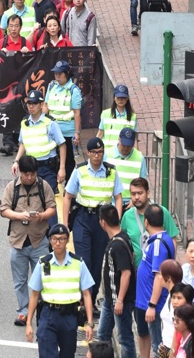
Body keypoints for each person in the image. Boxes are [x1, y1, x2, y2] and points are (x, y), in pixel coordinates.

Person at [62, 137, 123, 313]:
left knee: (97, 263)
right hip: (83, 218)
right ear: (88, 153)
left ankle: (92, 298)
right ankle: (82, 299)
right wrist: (65, 224)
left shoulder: (111, 171)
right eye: (94, 152)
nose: (97, 155)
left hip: (103, 221)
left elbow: (118, 197)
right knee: (84, 261)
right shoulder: (80, 170)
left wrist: (115, 222)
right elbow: (67, 196)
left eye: (100, 152)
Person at [1, 155, 56, 327]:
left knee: (44, 278)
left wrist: (41, 216)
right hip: (18, 242)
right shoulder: (12, 188)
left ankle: (43, 310)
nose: (30, 178)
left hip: (40, 242)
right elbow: (3, 210)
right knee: (20, 281)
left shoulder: (43, 186)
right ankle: (23, 312)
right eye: (26, 174)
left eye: (32, 174)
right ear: (20, 173)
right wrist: (19, 215)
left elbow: (52, 208)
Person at [26, 223, 95, 356]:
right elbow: (34, 295)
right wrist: (29, 323)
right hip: (48, 315)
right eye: (54, 239)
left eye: (62, 239)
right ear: (50, 240)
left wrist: (90, 324)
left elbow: (86, 294)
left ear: (67, 240)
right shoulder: (43, 263)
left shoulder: (78, 263)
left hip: (70, 316)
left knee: (68, 354)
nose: (58, 243)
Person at [12, 89, 66, 208]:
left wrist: (62, 168)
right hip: (30, 168)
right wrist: (16, 161)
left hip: (47, 168)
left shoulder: (50, 123)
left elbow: (62, 145)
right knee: (32, 202)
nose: (31, 106)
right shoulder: (25, 122)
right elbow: (23, 143)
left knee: (49, 201)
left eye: (34, 103)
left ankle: (52, 227)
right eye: (29, 103)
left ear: (41, 105)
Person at [135, 204, 176, 358]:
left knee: (159, 347)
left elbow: (159, 276)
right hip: (146, 302)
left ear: (146, 222)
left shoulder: (158, 244)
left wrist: (152, 305)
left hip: (152, 303)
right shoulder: (162, 240)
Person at [97, 204, 137, 358]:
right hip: (110, 299)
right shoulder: (122, 237)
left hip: (121, 301)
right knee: (102, 335)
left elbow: (125, 274)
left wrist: (120, 300)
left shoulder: (117, 245)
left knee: (125, 339)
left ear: (103, 222)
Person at [121, 178, 179, 269]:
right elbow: (123, 238)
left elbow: (173, 239)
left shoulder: (162, 212)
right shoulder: (127, 216)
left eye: (140, 193)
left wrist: (171, 263)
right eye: (133, 194)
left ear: (148, 193)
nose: (136, 197)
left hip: (160, 269)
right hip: (137, 270)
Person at [44, 60, 82, 182]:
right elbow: (46, 106)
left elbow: (76, 112)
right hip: (52, 130)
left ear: (66, 74)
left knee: (69, 161)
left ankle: (69, 190)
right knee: (52, 159)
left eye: (60, 74)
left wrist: (77, 132)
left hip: (67, 131)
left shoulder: (73, 90)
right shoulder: (51, 86)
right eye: (56, 74)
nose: (58, 76)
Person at [108, 128, 147, 209]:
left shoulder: (140, 158)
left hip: (132, 203)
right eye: (124, 145)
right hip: (111, 202)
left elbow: (143, 182)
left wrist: (135, 200)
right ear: (119, 139)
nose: (126, 148)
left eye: (129, 145)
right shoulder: (107, 155)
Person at [97, 84, 138, 153]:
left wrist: (137, 154)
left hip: (124, 152)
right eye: (118, 97)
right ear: (114, 98)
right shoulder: (105, 114)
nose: (121, 100)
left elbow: (134, 139)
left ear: (127, 99)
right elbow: (100, 134)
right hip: (107, 153)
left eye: (123, 97)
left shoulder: (132, 116)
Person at [159, 260, 185, 355]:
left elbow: (177, 328)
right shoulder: (170, 295)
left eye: (161, 274)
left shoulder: (176, 300)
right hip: (166, 346)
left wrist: (172, 352)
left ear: (168, 278)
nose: (159, 277)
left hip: (172, 348)